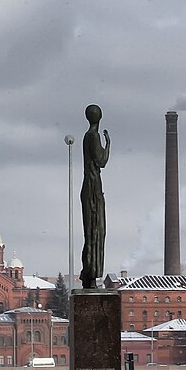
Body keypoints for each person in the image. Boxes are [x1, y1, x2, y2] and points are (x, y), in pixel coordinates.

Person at [79, 104, 110, 289]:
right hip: (93, 188)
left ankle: (90, 274)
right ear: (99, 117)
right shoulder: (93, 136)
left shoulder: (87, 136)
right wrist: (108, 144)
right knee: (96, 230)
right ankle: (90, 274)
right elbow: (102, 161)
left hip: (91, 186)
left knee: (93, 231)